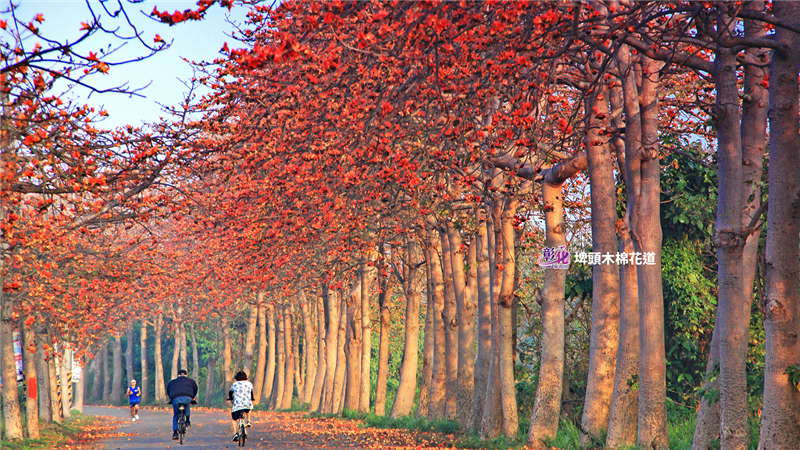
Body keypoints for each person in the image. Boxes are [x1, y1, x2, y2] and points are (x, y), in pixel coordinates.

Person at [166, 369, 198, 441]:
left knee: (176, 415)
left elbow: (168, 390)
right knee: (187, 405)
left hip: (175, 398)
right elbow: (195, 389)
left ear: (178, 375)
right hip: (188, 397)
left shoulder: (172, 382)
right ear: (186, 375)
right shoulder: (191, 381)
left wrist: (171, 398)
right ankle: (187, 420)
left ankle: (175, 433)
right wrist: (192, 397)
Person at [227, 371, 254, 442]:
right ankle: (248, 421)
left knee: (234, 419)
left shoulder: (235, 384)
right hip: (247, 404)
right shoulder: (249, 384)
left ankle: (235, 433)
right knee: (249, 408)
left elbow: (230, 392)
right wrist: (252, 398)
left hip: (237, 405)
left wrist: (230, 397)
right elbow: (251, 393)